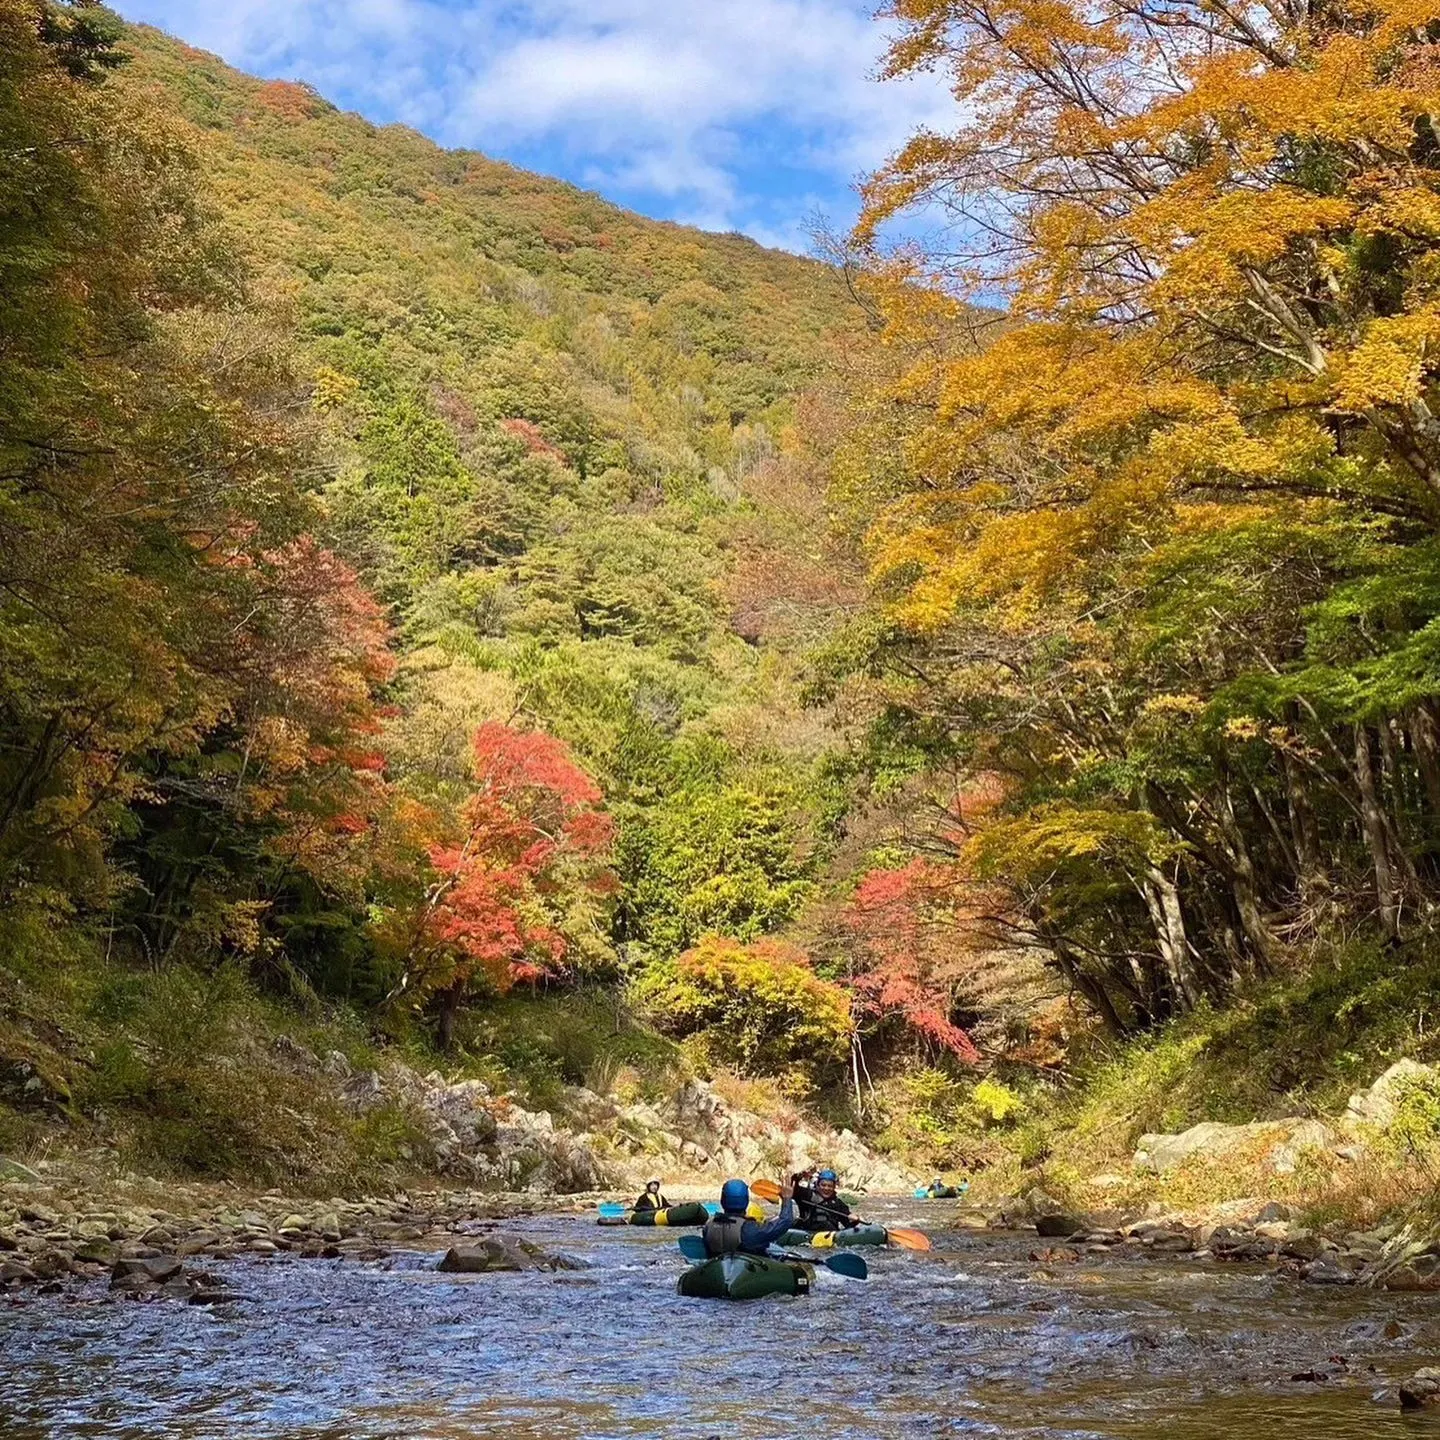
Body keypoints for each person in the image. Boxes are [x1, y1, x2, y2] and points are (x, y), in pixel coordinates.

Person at [701, 1178, 796, 1256]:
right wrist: (787, 1198)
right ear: (746, 1201)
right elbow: (785, 1221)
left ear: (723, 1200)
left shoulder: (708, 1226)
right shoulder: (749, 1230)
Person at [792, 1167, 857, 1232]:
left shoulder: (838, 1203)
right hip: (807, 1233)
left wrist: (854, 1220)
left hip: (829, 1235)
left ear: (834, 1187)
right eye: (823, 1185)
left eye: (830, 1186)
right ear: (817, 1185)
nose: (826, 1188)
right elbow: (791, 1188)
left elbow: (848, 1225)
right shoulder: (807, 1195)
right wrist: (799, 1176)